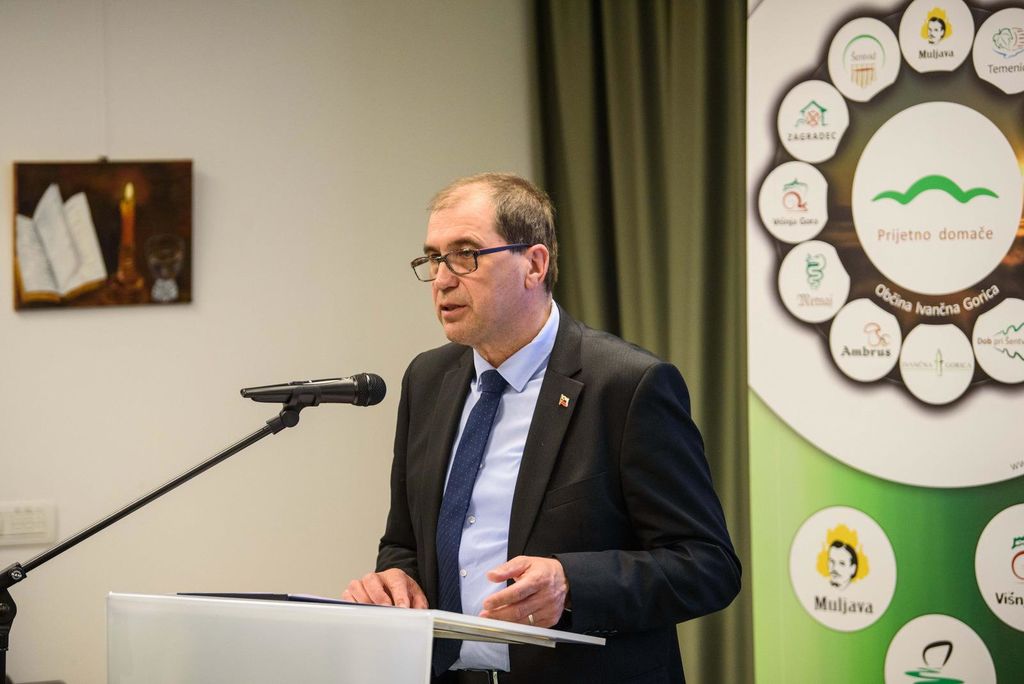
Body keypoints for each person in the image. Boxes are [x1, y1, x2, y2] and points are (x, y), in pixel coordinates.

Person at [344, 173, 740, 683]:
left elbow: (707, 565)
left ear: (534, 264)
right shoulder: (427, 379)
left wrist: (572, 583)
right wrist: (394, 580)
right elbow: (404, 540)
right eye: (434, 258)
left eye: (465, 255)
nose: (442, 279)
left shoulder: (626, 385)